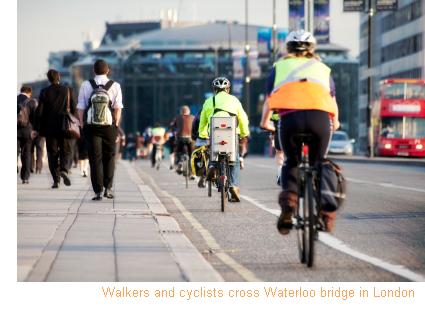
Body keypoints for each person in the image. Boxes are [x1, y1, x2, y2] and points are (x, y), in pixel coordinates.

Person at [265, 30, 340, 234]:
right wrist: (336, 121)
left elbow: (270, 98)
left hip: (290, 119)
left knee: (291, 161)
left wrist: (266, 122)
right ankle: (326, 211)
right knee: (321, 162)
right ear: (312, 49)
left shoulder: (279, 67)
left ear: (287, 49)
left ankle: (289, 202)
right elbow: (332, 99)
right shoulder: (323, 68)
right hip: (319, 119)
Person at [77, 59, 123, 200]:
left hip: (91, 126)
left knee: (95, 158)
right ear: (108, 70)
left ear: (93, 70)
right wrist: (115, 125)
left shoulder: (86, 84)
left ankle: (97, 191)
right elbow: (117, 109)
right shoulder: (115, 85)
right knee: (109, 157)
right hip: (109, 126)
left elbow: (81, 108)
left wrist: (82, 124)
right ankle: (108, 189)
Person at [197, 77, 250, 202]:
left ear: (214, 89)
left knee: (214, 151)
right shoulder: (234, 100)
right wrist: (244, 133)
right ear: (228, 89)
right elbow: (243, 118)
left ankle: (212, 165)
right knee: (234, 159)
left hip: (215, 130)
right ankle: (234, 186)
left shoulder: (209, 101)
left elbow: (203, 121)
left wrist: (203, 134)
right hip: (231, 131)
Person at [35, 70, 76, 188]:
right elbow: (73, 108)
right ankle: (64, 169)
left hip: (49, 128)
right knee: (66, 150)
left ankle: (56, 180)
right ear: (59, 77)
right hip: (65, 126)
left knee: (52, 153)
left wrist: (37, 127)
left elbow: (39, 112)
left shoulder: (44, 92)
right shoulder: (68, 90)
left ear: (48, 79)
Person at [17, 86, 37, 184]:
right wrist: (35, 130)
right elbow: (34, 118)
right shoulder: (31, 102)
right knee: (27, 154)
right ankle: (25, 177)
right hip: (27, 131)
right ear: (29, 92)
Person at [260, 107, 285, 186]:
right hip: (296, 130)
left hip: (279, 132)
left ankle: (280, 174)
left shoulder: (274, 111)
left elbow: (267, 124)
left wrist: (272, 133)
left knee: (279, 153)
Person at [171, 105, 195, 177]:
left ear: (181, 112)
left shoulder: (177, 118)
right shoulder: (193, 118)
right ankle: (192, 174)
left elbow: (172, 127)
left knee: (179, 151)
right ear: (189, 111)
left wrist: (174, 133)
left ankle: (180, 162)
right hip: (190, 138)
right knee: (192, 155)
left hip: (180, 137)